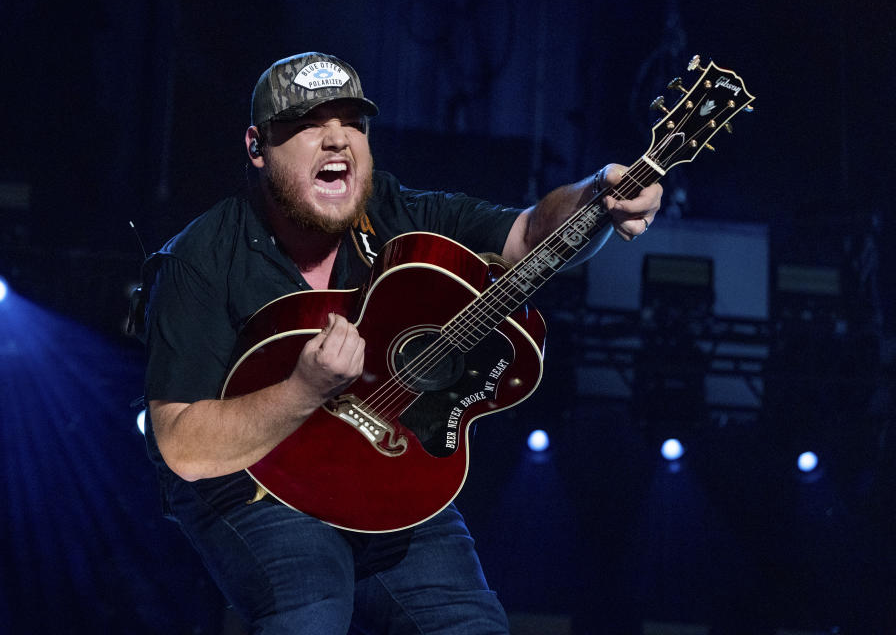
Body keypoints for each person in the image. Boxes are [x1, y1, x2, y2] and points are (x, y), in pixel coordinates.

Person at [141, 51, 661, 634]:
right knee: (311, 608)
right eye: (309, 124)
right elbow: (183, 446)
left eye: (353, 123)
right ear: (257, 147)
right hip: (253, 484)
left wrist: (599, 193)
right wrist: (303, 390)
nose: (337, 139)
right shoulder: (200, 258)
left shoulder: (396, 211)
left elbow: (529, 234)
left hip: (378, 468)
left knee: (470, 625)